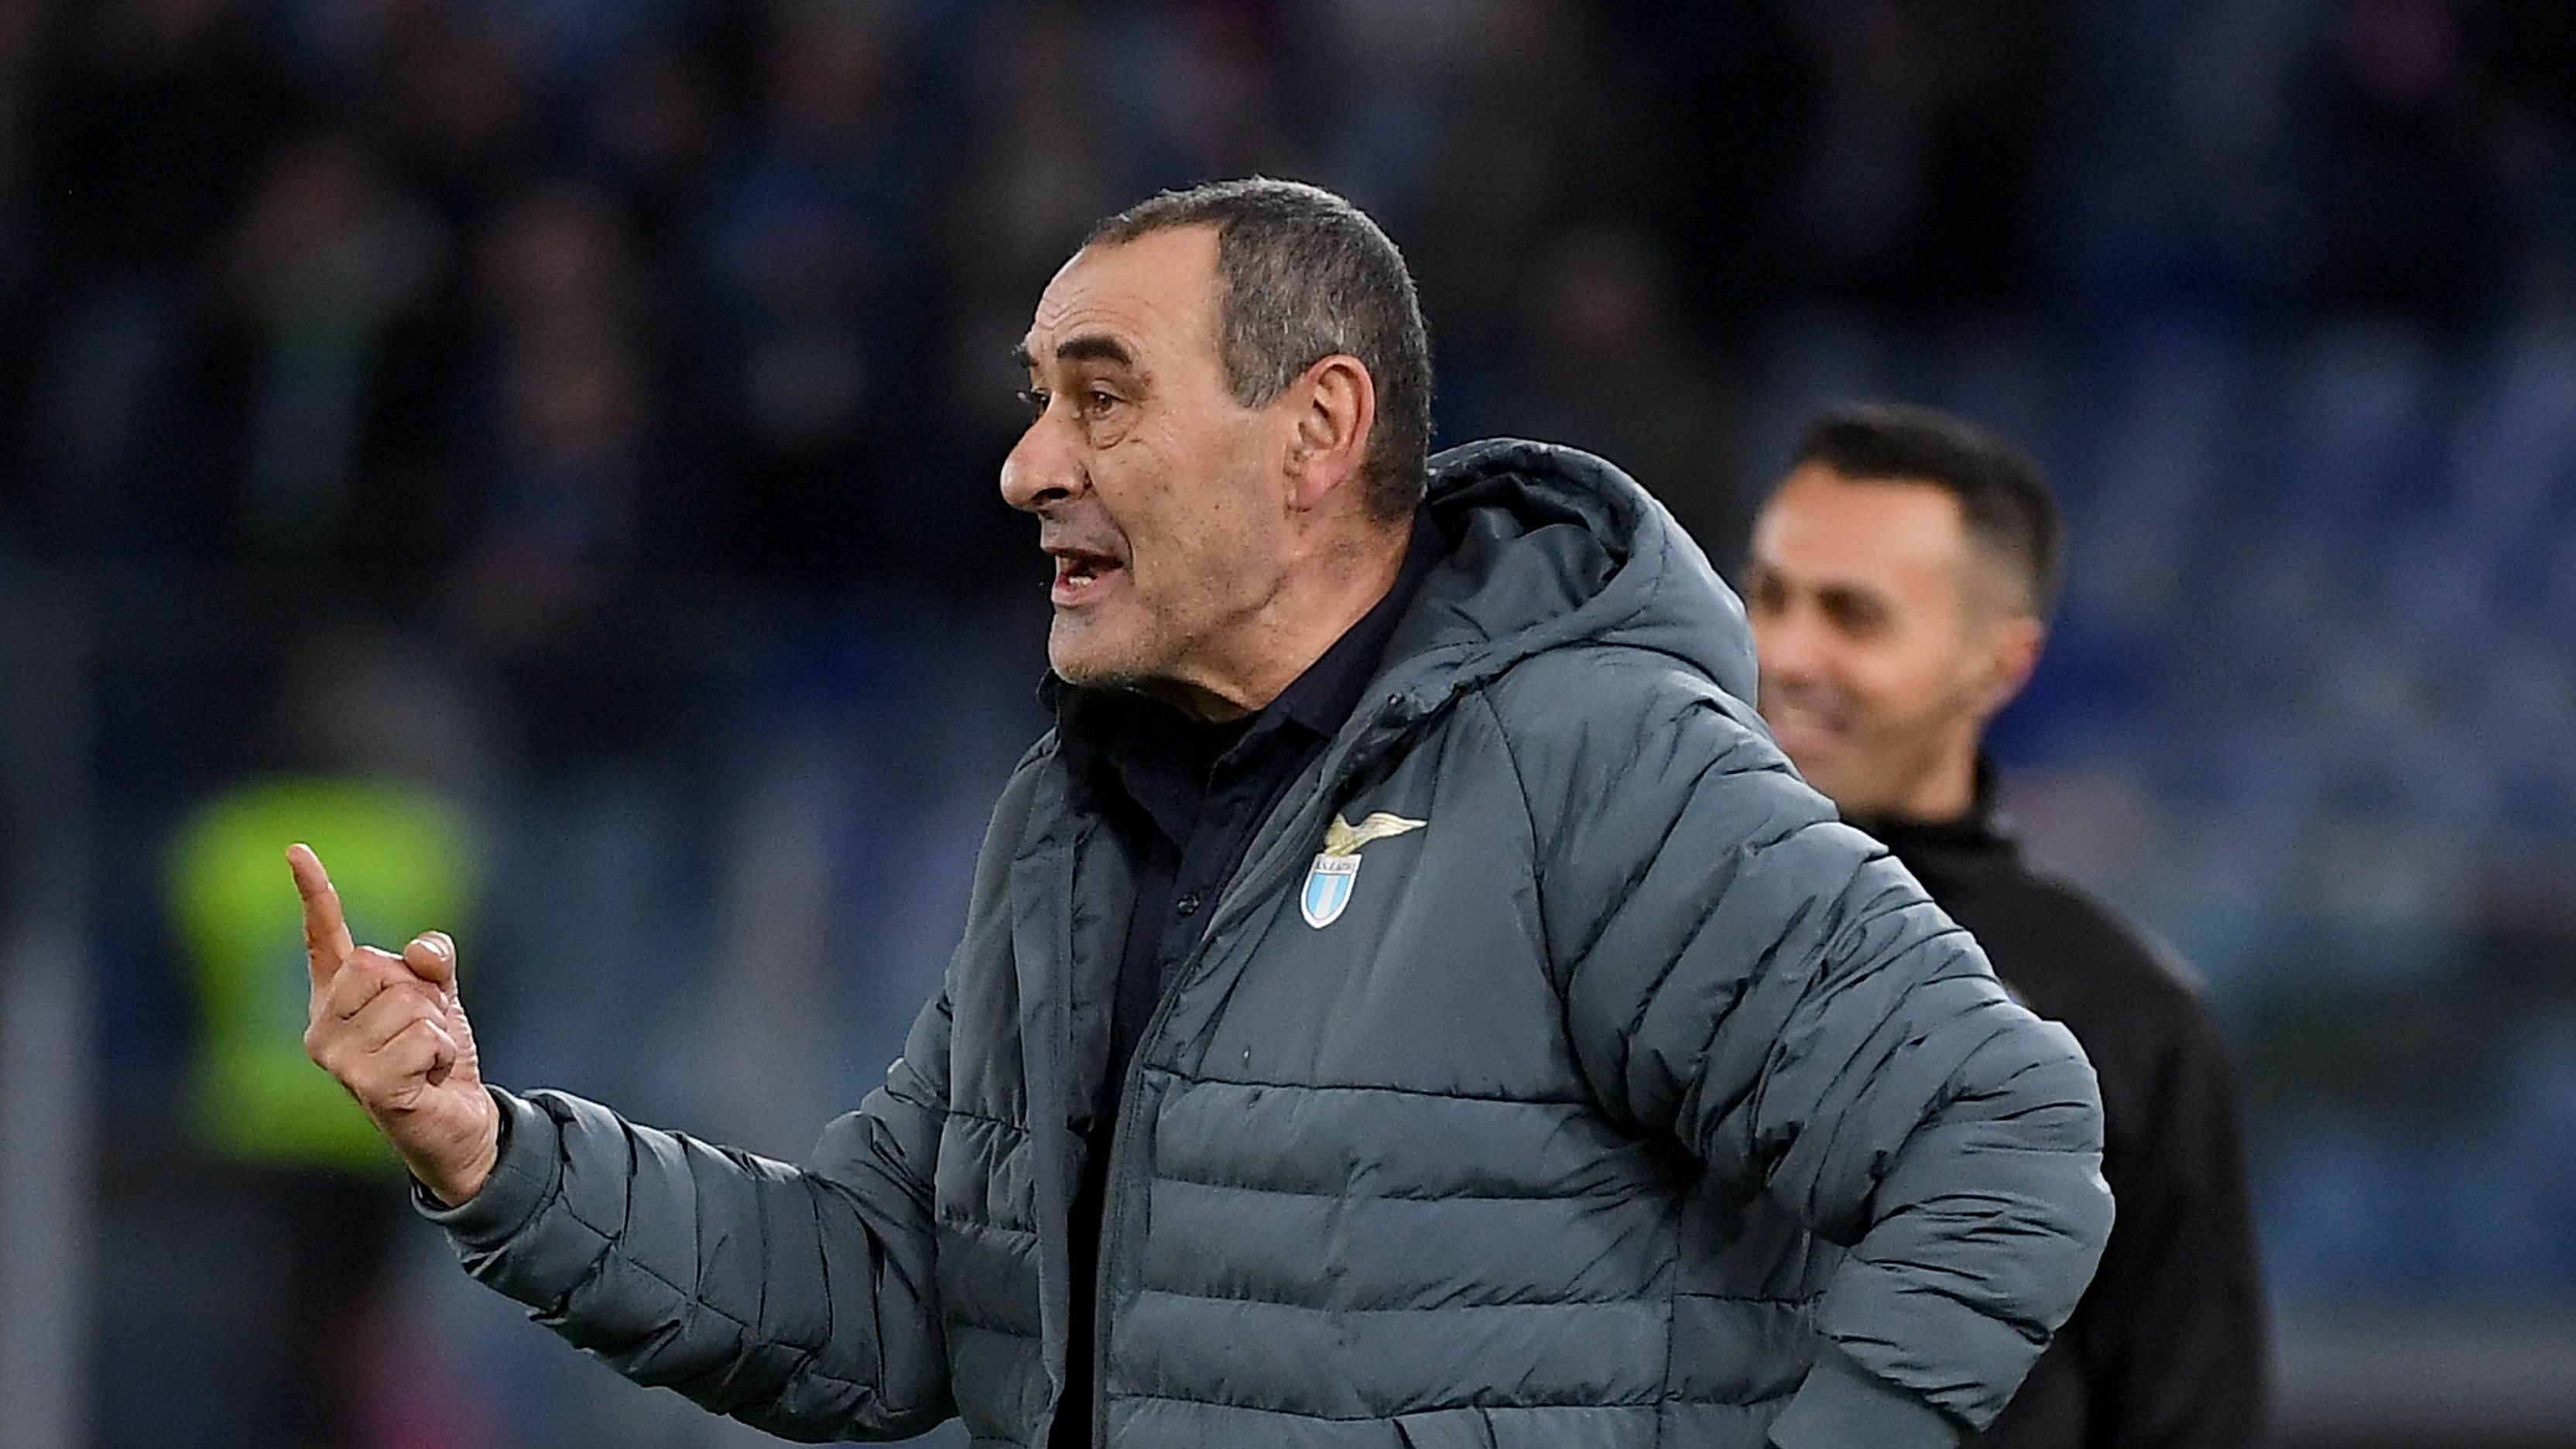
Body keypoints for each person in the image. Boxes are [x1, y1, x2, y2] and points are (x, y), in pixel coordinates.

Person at [293, 180, 2112, 1449]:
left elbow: (2001, 1143)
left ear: (1314, 433)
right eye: (1035, 402)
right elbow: (889, 1293)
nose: (1028, 465)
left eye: (1101, 398)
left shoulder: (1595, 764)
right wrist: (490, 1153)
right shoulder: (1073, 826)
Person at [1743, 401, 2269, 1449]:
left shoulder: (2130, 1018)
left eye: (1853, 615)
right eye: (1768, 597)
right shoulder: (1612, 930)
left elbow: (2189, 1413)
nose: (1786, 653)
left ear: (2000, 665)